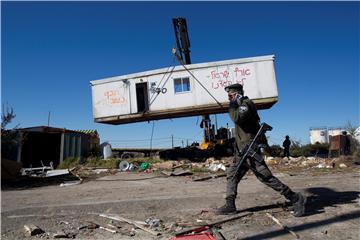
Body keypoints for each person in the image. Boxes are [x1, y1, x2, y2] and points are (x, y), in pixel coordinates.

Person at [216, 83, 306, 217]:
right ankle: (230, 205)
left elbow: (237, 118)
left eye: (230, 96)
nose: (229, 99)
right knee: (232, 175)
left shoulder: (246, 104)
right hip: (241, 151)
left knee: (265, 177)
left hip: (250, 150)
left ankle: (295, 198)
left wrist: (232, 105)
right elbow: (254, 128)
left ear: (237, 94)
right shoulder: (240, 105)